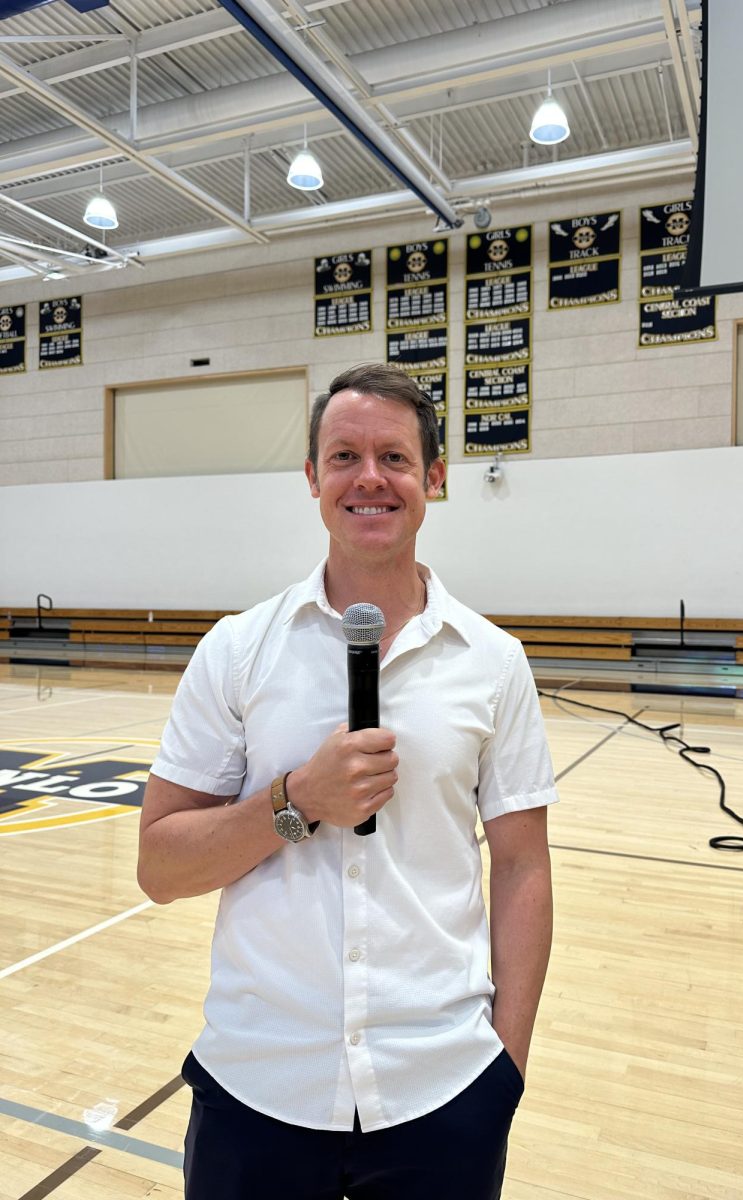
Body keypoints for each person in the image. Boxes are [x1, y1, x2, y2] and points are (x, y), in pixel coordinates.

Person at [137, 362, 557, 1200]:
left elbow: (521, 868)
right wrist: (297, 803)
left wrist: (505, 1065)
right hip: (258, 1083)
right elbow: (160, 868)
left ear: (434, 477)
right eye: (344, 457)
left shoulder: (493, 662)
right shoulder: (236, 649)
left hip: (443, 1087)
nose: (370, 478)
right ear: (313, 478)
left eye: (395, 458)